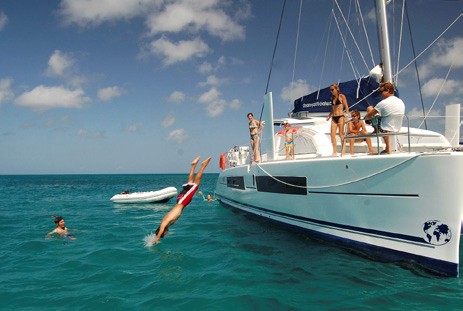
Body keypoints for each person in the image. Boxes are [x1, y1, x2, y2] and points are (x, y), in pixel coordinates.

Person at [152, 156, 211, 244]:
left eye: (165, 234)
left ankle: (203, 166)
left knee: (195, 184)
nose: (167, 234)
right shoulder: (166, 223)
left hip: (182, 201)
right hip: (181, 201)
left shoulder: (163, 224)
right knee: (191, 183)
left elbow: (161, 229)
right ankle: (193, 165)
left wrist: (157, 239)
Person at [364, 82, 405, 154]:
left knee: (369, 108)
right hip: (397, 128)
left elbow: (368, 116)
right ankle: (387, 148)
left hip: (384, 128)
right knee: (384, 118)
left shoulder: (383, 103)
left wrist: (365, 119)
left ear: (388, 91)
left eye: (381, 92)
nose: (380, 94)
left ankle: (387, 148)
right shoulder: (400, 101)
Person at [326, 83, 349, 156]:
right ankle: (334, 151)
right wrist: (329, 116)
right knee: (332, 135)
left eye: (332, 89)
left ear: (336, 89)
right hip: (334, 117)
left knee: (341, 134)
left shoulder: (341, 96)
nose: (331, 91)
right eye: (330, 90)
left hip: (340, 116)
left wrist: (347, 115)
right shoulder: (332, 98)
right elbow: (333, 109)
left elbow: (346, 106)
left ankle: (343, 150)